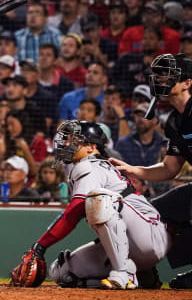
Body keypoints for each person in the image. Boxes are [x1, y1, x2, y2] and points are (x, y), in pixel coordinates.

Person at [17, 120, 171, 289]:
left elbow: (73, 213)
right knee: (62, 273)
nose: (66, 143)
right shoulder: (85, 166)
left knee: (99, 200)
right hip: (130, 242)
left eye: (74, 140)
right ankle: (143, 275)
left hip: (149, 235)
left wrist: (40, 246)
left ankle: (123, 273)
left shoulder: (91, 165)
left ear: (91, 147)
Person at [109, 53, 192, 288]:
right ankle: (144, 270)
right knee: (154, 211)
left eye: (168, 75)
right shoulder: (175, 121)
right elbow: (170, 168)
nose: (160, 79)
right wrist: (134, 170)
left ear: (187, 82)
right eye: (158, 74)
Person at [115, 103, 164, 168]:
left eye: (145, 115)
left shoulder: (164, 144)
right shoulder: (123, 143)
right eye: (138, 115)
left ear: (155, 120)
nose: (140, 119)